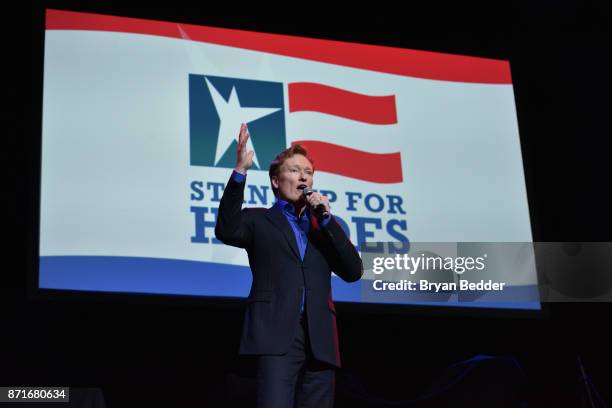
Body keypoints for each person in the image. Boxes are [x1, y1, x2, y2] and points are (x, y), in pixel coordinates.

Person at [215, 123, 363, 407]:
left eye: (308, 172)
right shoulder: (259, 220)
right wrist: (240, 172)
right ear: (275, 181)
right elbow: (226, 228)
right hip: (276, 335)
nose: (303, 177)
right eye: (295, 170)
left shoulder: (325, 226)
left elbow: (353, 272)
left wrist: (328, 220)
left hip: (320, 339)